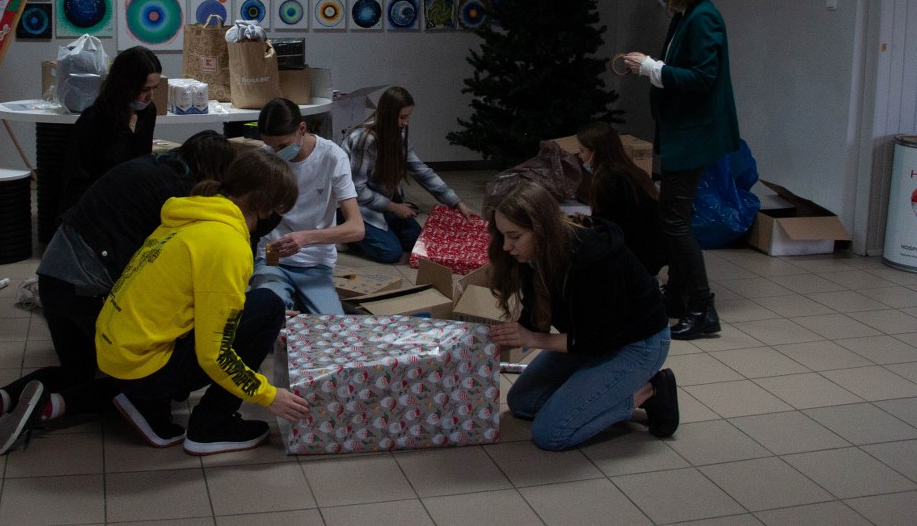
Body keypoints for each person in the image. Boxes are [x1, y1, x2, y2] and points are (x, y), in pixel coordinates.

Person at [0, 131, 235, 456]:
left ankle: (2, 398)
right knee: (131, 374)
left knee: (77, 369)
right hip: (85, 284)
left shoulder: (150, 165)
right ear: (214, 170)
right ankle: (46, 408)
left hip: (53, 275)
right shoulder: (177, 195)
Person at [96, 150, 311, 455]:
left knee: (264, 306)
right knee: (269, 308)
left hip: (117, 354)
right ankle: (211, 426)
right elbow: (214, 355)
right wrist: (268, 395)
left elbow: (196, 296)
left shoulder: (192, 215)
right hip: (142, 368)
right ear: (262, 203)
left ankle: (143, 398)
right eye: (277, 209)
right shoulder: (227, 243)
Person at [485, 176, 677, 451]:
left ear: (542, 230)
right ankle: (594, 400)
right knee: (523, 403)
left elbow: (599, 339)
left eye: (515, 236)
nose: (506, 246)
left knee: (551, 434)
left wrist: (533, 339)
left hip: (636, 343)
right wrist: (498, 341)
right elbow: (535, 316)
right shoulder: (535, 255)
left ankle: (648, 391)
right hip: (588, 338)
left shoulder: (593, 258)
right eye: (502, 235)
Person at [624, 0, 740, 339]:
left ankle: (702, 307)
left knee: (674, 221)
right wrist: (651, 67)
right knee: (673, 217)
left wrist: (651, 68)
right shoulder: (687, 13)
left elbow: (703, 78)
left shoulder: (704, 18)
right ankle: (676, 294)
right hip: (684, 130)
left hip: (695, 133)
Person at [251, 98, 364, 315]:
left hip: (316, 261)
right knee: (267, 316)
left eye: (283, 146)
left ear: (301, 129)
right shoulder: (265, 157)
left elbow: (357, 229)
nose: (277, 153)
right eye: (271, 146)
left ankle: (302, 298)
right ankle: (286, 297)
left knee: (330, 325)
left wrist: (306, 238)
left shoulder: (332, 157)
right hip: (272, 256)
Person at [342, 85, 476, 263]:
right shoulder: (365, 139)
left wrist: (456, 202)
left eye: (407, 117)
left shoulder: (397, 135)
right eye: (402, 117)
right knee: (391, 253)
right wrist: (394, 207)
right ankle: (345, 229)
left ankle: (378, 229)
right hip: (354, 205)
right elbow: (357, 190)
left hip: (381, 202)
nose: (405, 123)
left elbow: (422, 172)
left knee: (416, 242)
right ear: (388, 115)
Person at [59, 45, 162, 214]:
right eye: (144, 89)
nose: (151, 96)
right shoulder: (94, 120)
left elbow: (142, 161)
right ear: (125, 86)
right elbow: (76, 181)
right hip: (95, 205)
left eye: (154, 88)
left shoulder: (147, 112)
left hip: (129, 200)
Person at [575, 122, 669, 280]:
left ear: (595, 152)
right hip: (652, 250)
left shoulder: (607, 179)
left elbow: (601, 225)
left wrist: (570, 220)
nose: (580, 156)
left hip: (635, 255)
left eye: (582, 151)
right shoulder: (633, 171)